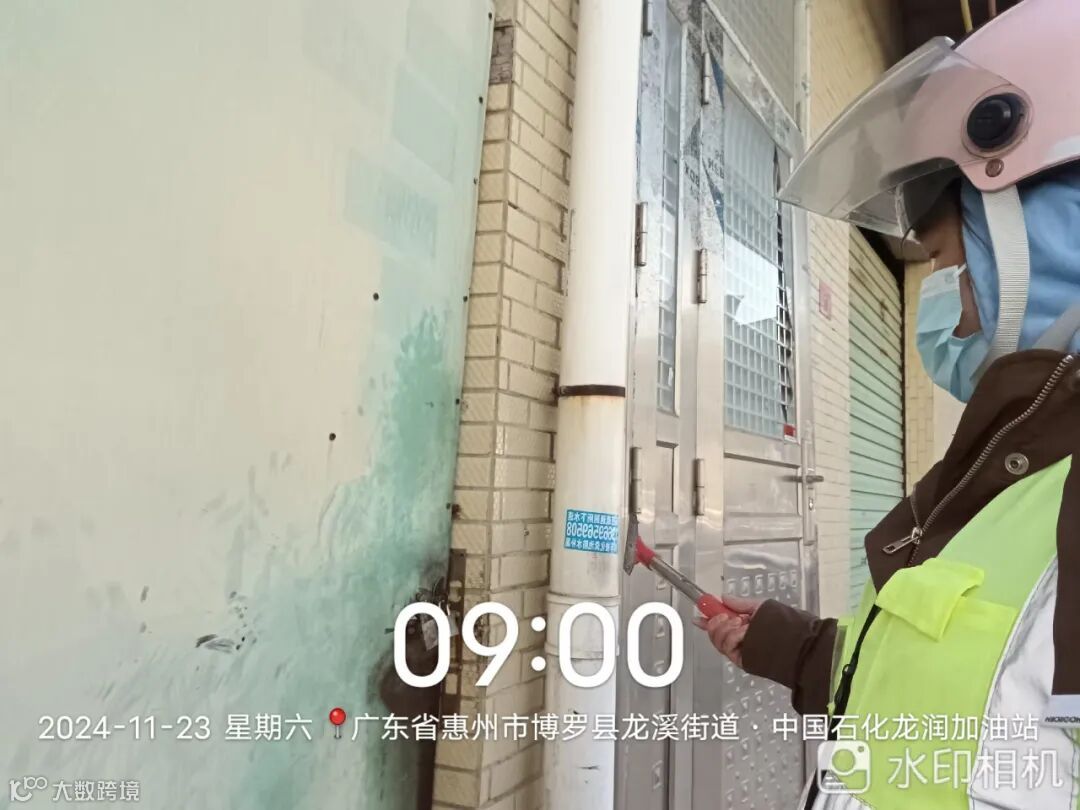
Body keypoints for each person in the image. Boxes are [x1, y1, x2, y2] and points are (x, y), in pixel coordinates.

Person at [697, 0, 1080, 807]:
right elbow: (978, 691)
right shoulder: (1018, 469)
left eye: (947, 260)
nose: (948, 308)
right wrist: (795, 648)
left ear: (1052, 235)